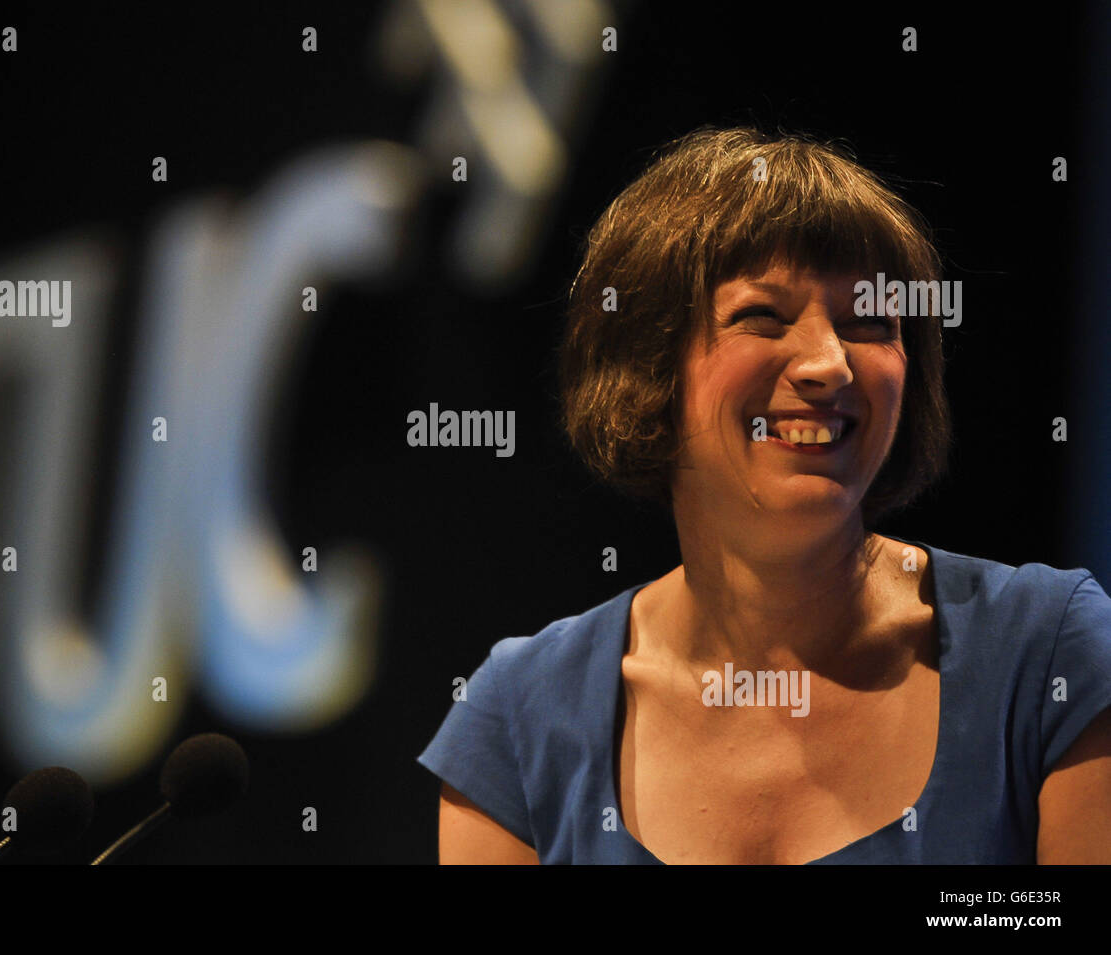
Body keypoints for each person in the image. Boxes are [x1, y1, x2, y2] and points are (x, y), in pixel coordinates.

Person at [417, 127, 1111, 864]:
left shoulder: (1052, 658)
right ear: (649, 369)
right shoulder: (517, 718)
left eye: (869, 321)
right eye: (763, 318)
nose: (829, 363)